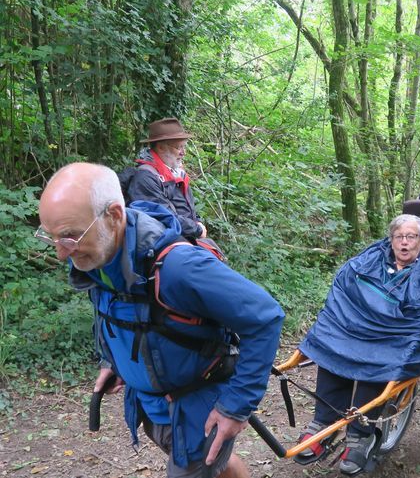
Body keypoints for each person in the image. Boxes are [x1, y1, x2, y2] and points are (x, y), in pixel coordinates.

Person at [36, 163, 285, 478]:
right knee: (218, 469)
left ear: (114, 215)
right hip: (158, 408)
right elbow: (114, 312)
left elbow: (265, 318)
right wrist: (113, 361)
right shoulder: (96, 256)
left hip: (199, 411)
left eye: (70, 237)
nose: (61, 253)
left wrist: (236, 407)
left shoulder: (180, 268)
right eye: (52, 238)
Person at [296, 213, 420, 475]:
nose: (404, 243)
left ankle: (360, 435)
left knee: (377, 363)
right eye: (398, 237)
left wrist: (400, 329)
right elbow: (344, 288)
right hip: (357, 328)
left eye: (411, 237)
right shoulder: (370, 259)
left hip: (397, 337)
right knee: (331, 348)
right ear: (390, 239)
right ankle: (323, 423)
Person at [127, 117, 207, 240]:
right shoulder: (145, 177)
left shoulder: (176, 173)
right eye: (179, 147)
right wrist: (197, 229)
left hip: (185, 238)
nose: (183, 152)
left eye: (184, 147)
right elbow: (166, 217)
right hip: (164, 245)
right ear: (160, 147)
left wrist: (198, 222)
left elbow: (188, 210)